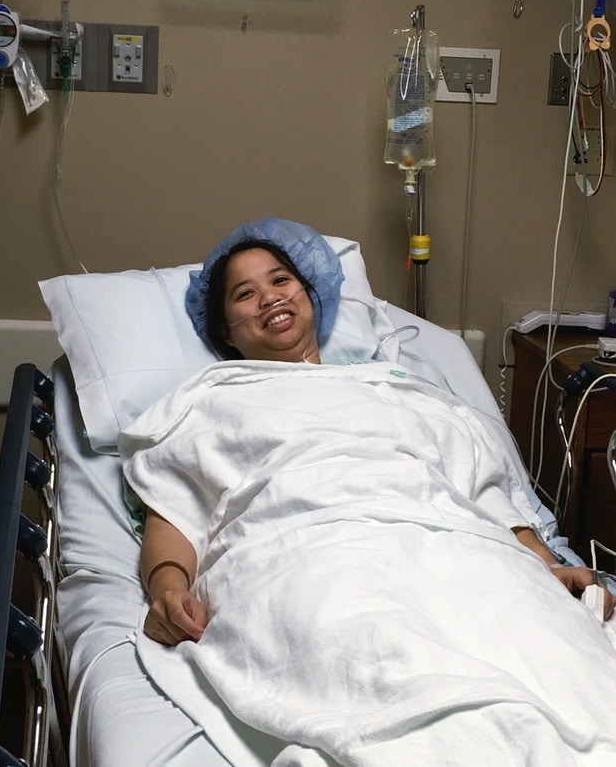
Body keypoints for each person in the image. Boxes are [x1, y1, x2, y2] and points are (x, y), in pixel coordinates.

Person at [130, 218, 614, 649]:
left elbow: (482, 488)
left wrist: (544, 564)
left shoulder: (399, 388)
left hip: (451, 549)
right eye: (245, 293)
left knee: (544, 649)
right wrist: (168, 589)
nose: (270, 297)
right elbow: (176, 506)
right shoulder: (212, 400)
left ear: (309, 294)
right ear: (226, 333)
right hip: (306, 557)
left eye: (280, 280)